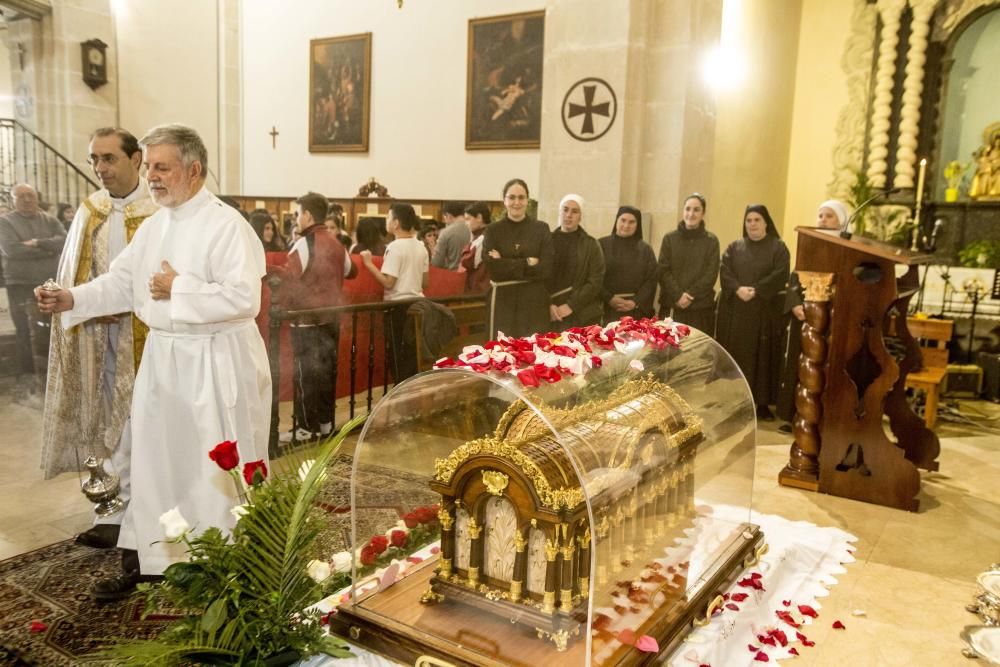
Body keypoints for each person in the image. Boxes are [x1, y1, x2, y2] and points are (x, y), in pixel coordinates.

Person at [36, 123, 271, 601]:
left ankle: (223, 565)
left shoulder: (227, 225)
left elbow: (245, 298)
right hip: (164, 359)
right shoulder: (156, 226)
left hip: (215, 360)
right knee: (157, 462)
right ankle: (156, 561)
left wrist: (178, 288)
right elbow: (122, 283)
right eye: (150, 167)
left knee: (211, 471)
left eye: (162, 167)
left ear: (194, 169)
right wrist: (71, 298)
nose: (153, 177)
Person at [40, 128, 158, 551]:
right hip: (98, 336)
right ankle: (109, 511)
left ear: (136, 159)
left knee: (139, 421)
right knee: (103, 421)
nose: (100, 168)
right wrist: (69, 298)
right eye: (93, 159)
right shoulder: (91, 210)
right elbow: (73, 271)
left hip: (146, 337)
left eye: (108, 158)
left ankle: (146, 508)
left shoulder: (159, 211)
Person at [271, 192, 356, 443]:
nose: (296, 220)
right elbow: (352, 271)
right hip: (332, 319)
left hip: (306, 319)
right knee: (326, 372)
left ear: (307, 214)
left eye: (297, 214)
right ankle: (326, 424)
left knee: (305, 373)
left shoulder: (304, 244)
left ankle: (305, 428)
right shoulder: (337, 243)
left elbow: (290, 279)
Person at [776, 199, 849, 430]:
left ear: (841, 221)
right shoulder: (810, 245)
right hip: (805, 318)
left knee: (825, 368)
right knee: (802, 367)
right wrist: (796, 304)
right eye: (820, 215)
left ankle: (822, 419)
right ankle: (797, 416)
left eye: (829, 216)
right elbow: (795, 279)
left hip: (832, 320)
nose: (823, 220)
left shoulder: (847, 249)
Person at [716, 204, 790, 421]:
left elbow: (781, 273)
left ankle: (762, 404)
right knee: (739, 355)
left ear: (766, 222)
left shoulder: (778, 248)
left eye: (757, 220)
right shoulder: (734, 247)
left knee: (764, 357)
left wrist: (757, 290)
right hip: (738, 313)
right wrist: (738, 288)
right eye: (749, 220)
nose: (753, 224)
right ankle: (736, 401)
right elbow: (724, 270)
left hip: (764, 312)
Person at [0, 183, 66, 392]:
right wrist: (48, 250)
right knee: (24, 330)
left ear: (36, 197)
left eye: (31, 195)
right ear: (13, 200)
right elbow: (11, 250)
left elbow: (64, 241)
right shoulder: (5, 222)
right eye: (21, 197)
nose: (27, 200)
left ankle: (51, 375)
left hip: (49, 282)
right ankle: (27, 378)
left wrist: (35, 242)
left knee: (52, 329)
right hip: (20, 283)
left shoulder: (50, 219)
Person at [360, 203, 429, 380]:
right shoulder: (421, 246)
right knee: (413, 355)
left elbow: (389, 282)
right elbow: (425, 282)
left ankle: (400, 398)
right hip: (418, 304)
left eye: (389, 218)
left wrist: (368, 264)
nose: (387, 221)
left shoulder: (395, 247)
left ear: (396, 223)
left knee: (398, 357)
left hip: (398, 308)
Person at [483, 178, 553, 337]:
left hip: (533, 300)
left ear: (527, 200)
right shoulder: (493, 230)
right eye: (511, 197)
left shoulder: (541, 229)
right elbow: (492, 269)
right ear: (504, 200)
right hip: (503, 301)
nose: (517, 202)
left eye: (521, 197)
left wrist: (504, 262)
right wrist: (528, 262)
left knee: (533, 352)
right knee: (502, 354)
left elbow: (546, 269)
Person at [657, 193, 720, 335]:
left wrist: (690, 294)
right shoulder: (669, 238)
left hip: (700, 308)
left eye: (696, 210)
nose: (691, 214)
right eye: (688, 209)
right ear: (683, 211)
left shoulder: (711, 241)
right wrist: (678, 295)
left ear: (703, 213)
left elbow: (710, 273)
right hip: (672, 305)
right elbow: (663, 270)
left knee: (697, 353)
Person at [547, 194, 604, 328]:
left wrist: (571, 305)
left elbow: (595, 280)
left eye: (574, 211)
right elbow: (538, 277)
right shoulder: (547, 241)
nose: (568, 215)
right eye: (565, 210)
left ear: (581, 216)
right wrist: (548, 305)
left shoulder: (591, 245)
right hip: (551, 314)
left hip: (582, 314)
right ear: (560, 212)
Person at [599, 205, 658, 322]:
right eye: (623, 220)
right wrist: (609, 298)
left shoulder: (645, 249)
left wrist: (635, 301)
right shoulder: (601, 245)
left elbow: (651, 280)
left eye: (631, 222)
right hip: (607, 308)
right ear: (617, 220)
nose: (626, 225)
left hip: (636, 310)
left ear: (637, 225)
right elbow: (594, 276)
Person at [460, 201, 492, 294]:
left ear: (479, 217)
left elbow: (467, 261)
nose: (466, 223)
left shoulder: (484, 238)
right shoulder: (483, 235)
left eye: (468, 219)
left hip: (479, 289)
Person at [432, 201, 472, 270]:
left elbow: (437, 262)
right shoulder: (473, 229)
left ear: (448, 215)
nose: (445, 220)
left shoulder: (445, 232)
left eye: (444, 217)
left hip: (453, 274)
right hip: (472, 274)